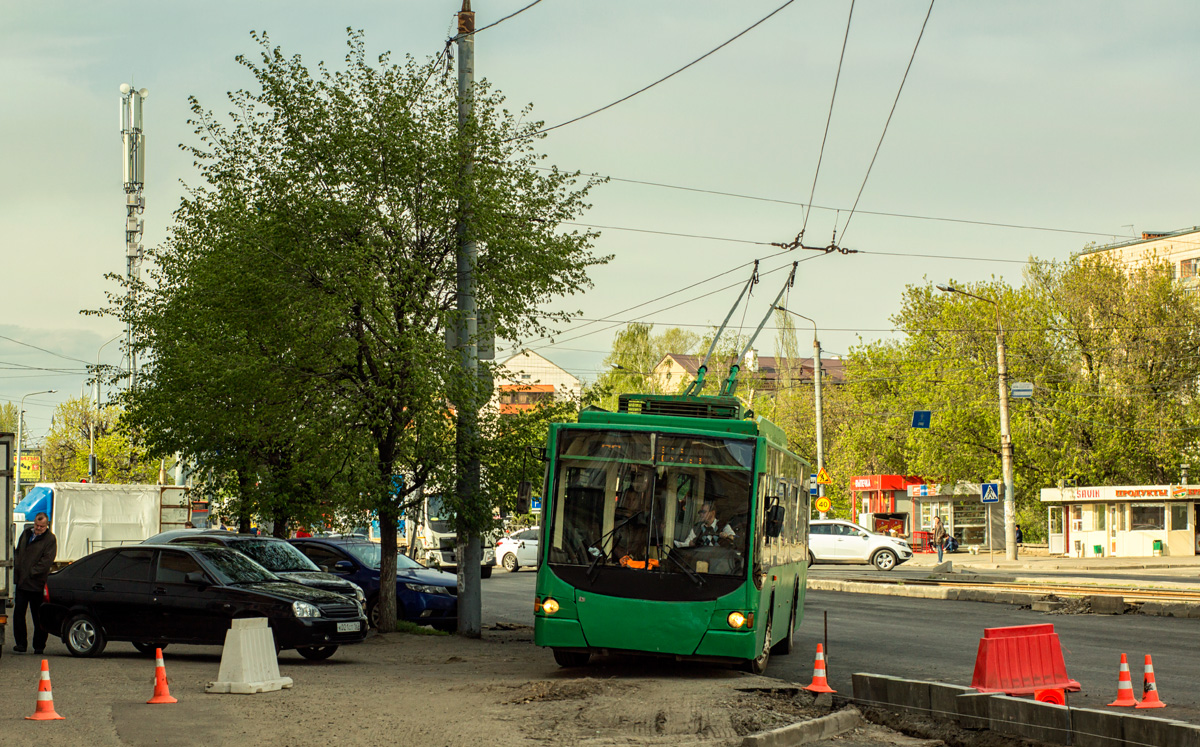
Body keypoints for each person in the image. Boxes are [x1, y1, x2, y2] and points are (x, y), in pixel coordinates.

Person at [13, 512, 57, 654]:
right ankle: (21, 643)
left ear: (47, 525)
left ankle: (39, 645)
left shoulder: (50, 539)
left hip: (36, 584)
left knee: (38, 617)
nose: (38, 528)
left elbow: (46, 562)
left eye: (42, 526)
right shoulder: (26, 533)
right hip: (21, 582)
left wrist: (31, 573)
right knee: (18, 614)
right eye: (37, 525)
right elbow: (19, 552)